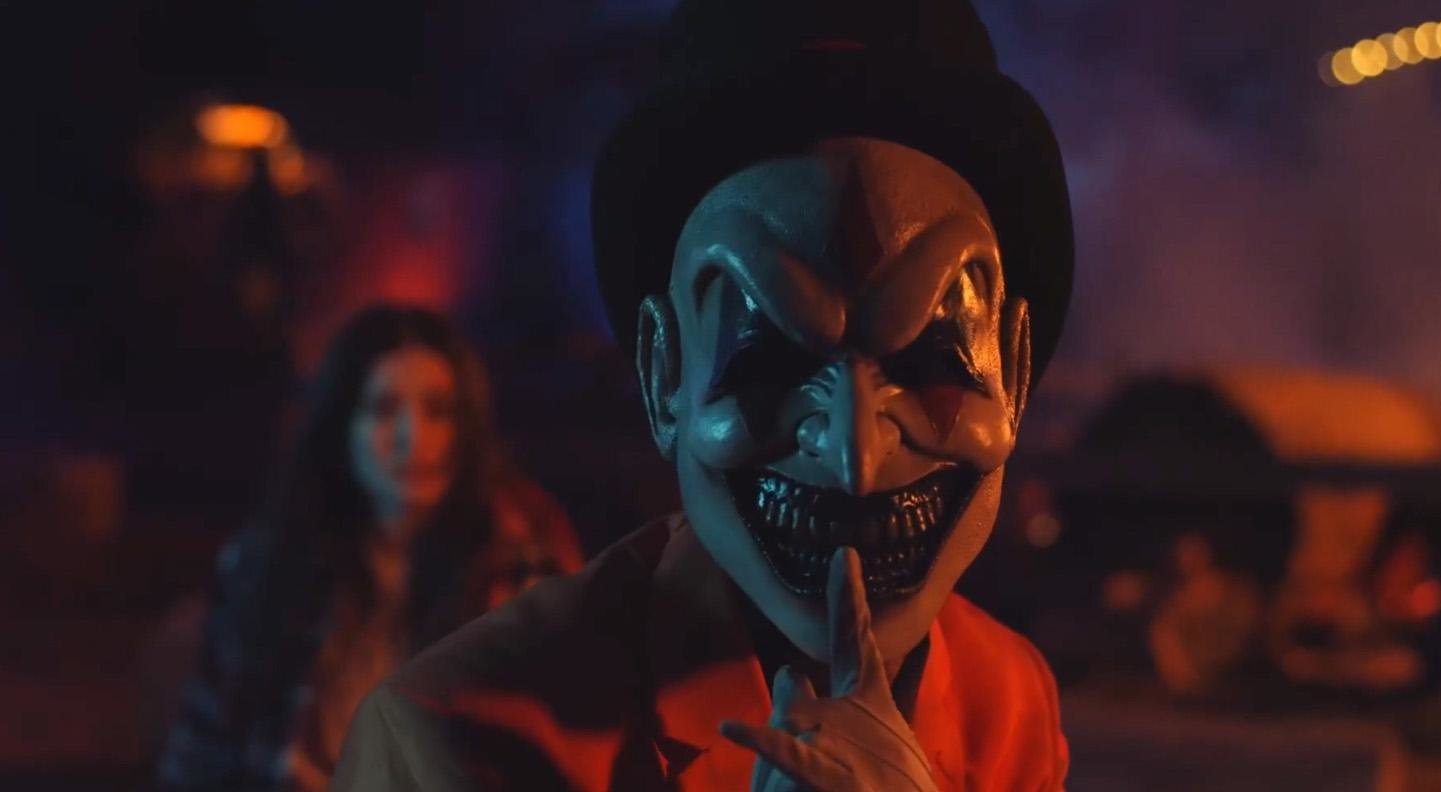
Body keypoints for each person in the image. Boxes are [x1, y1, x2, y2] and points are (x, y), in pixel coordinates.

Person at [333, 0, 1074, 788]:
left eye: (928, 359)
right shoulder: (448, 746)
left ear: (1013, 373)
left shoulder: (1008, 700)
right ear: (666, 381)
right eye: (768, 362)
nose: (855, 453)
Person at [157, 304, 583, 791]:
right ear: (340, 423)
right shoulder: (271, 565)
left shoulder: (519, 564)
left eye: (438, 411)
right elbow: (200, 757)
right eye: (383, 409)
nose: (412, 438)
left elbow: (562, 750)